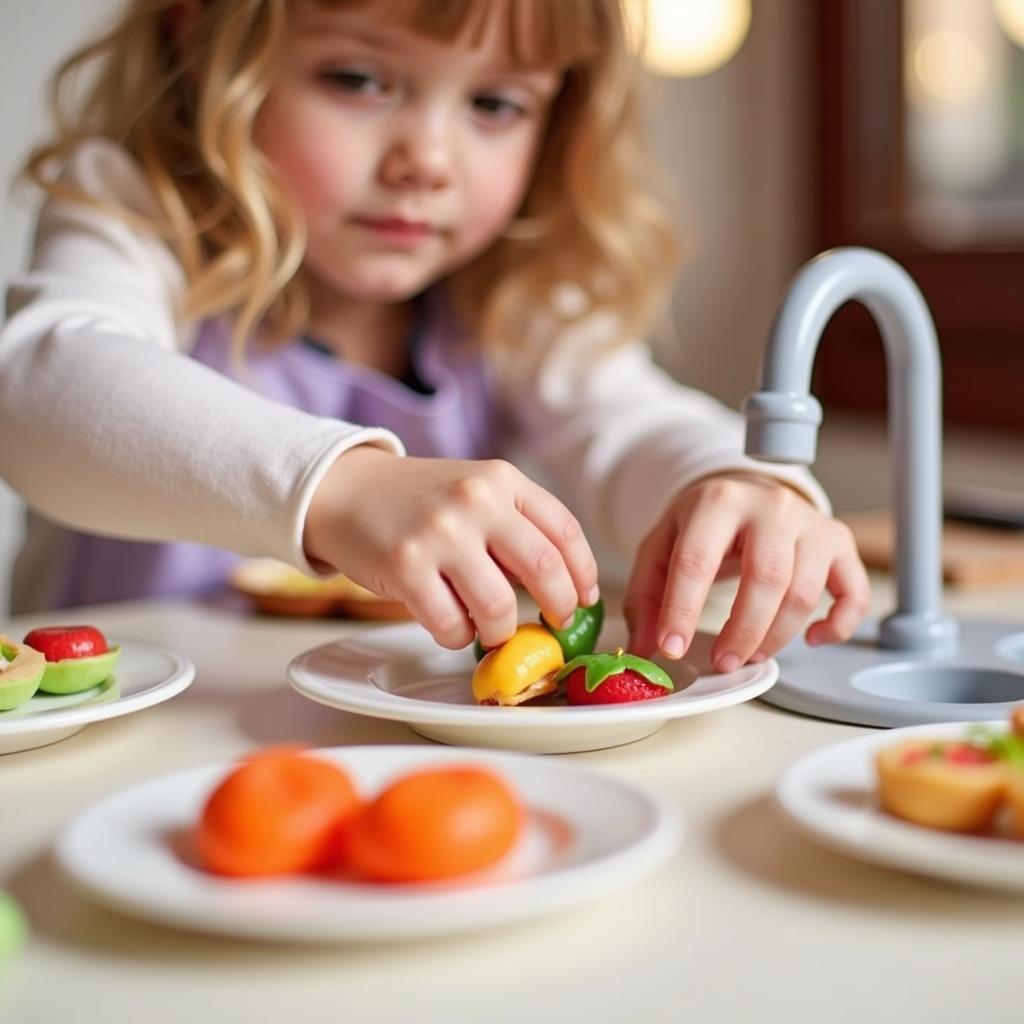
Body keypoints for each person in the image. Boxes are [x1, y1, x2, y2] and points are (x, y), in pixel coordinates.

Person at [0, 0, 869, 673]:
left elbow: (632, 422)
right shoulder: (133, 210)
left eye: (494, 103)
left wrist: (739, 483)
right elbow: (41, 389)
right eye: (358, 80)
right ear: (201, 42)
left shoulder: (508, 294)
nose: (428, 159)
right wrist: (344, 489)